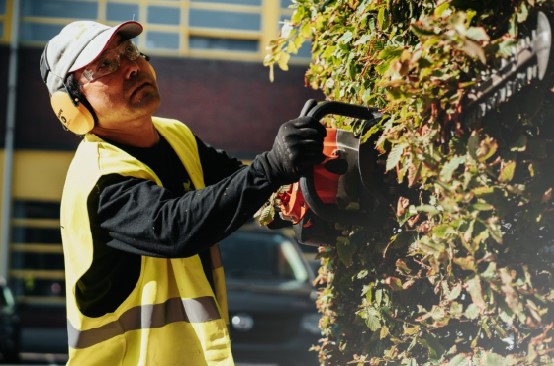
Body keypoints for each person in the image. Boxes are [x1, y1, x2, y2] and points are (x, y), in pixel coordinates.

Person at [39, 20, 325, 365]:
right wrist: (271, 169)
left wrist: (304, 196)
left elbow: (245, 191)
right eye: (104, 65)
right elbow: (173, 227)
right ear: (72, 105)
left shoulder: (175, 135)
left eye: (129, 51)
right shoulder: (100, 177)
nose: (131, 67)